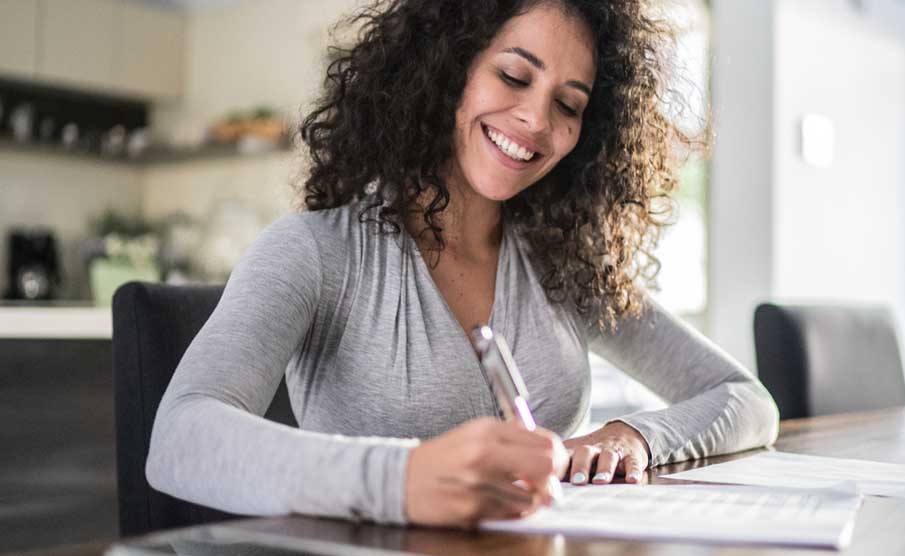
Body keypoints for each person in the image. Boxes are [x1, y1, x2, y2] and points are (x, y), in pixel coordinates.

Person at [145, 0, 779, 529]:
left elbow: (745, 400)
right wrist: (402, 478)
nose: (535, 119)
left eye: (569, 104)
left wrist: (633, 438)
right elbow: (180, 437)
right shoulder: (315, 252)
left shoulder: (564, 267)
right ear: (446, 69)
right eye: (513, 75)